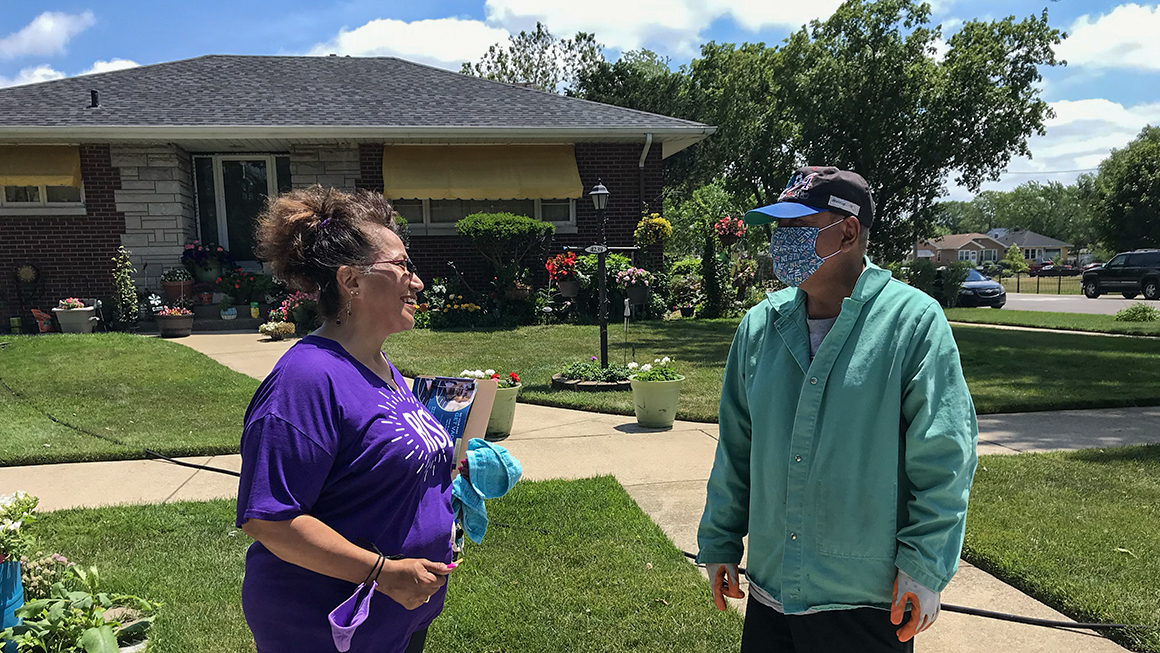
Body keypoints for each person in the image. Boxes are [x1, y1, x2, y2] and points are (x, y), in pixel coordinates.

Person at [697, 166, 978, 652]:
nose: (779, 240)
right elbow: (736, 448)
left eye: (796, 226)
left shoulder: (912, 323)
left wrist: (924, 568)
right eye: (777, 227)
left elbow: (945, 459)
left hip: (864, 604)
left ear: (847, 232)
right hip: (771, 592)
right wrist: (720, 541)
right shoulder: (759, 325)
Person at [236, 186, 457, 653]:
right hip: (325, 624)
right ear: (350, 281)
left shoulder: (380, 366)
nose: (417, 282)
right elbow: (270, 520)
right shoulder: (306, 379)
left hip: (396, 615)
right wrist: (383, 572)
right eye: (402, 266)